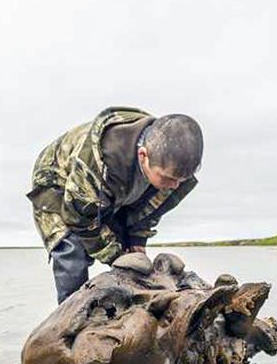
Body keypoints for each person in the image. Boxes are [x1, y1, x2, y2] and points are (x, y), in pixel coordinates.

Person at [28, 107, 203, 302]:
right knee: (73, 252)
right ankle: (70, 316)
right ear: (143, 155)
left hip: (111, 192)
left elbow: (148, 210)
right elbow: (79, 219)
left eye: (180, 180)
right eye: (168, 178)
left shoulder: (172, 168)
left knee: (131, 253)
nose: (174, 186)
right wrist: (115, 257)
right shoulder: (101, 160)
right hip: (58, 185)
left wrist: (137, 242)